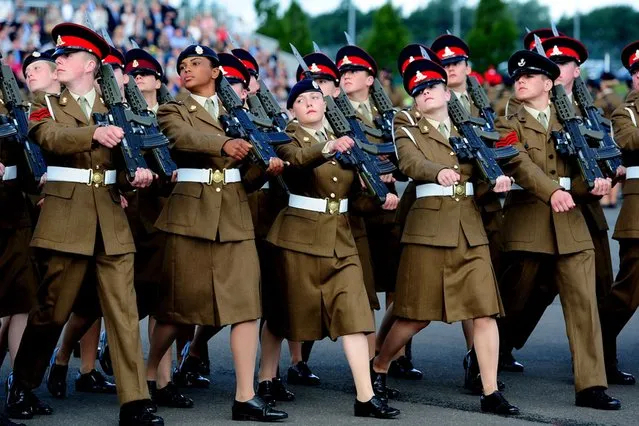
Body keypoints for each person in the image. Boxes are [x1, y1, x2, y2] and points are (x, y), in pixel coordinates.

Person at [6, 23, 162, 425]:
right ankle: (22, 384)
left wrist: (137, 177)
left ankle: (135, 401)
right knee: (51, 312)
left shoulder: (119, 108)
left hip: (110, 217)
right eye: (56, 55)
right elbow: (50, 137)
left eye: (65, 55)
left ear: (90, 63)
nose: (56, 60)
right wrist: (95, 132)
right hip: (66, 217)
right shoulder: (46, 102)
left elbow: (128, 164)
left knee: (123, 312)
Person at [371, 54, 518, 415]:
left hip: (469, 228)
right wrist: (437, 172)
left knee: (484, 312)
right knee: (414, 315)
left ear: (448, 92)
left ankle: (490, 389)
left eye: (433, 86)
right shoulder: (405, 123)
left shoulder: (469, 126)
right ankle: (379, 366)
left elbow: (485, 173)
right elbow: (409, 163)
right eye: (419, 90)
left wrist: (497, 182)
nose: (426, 93)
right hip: (428, 229)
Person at [150, 43, 287, 421]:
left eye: (196, 63)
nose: (187, 68)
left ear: (216, 71)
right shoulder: (173, 109)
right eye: (182, 65)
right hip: (190, 216)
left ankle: (245, 397)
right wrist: (225, 142)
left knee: (246, 307)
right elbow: (181, 138)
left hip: (233, 216)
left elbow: (244, 179)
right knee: (176, 310)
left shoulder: (239, 113)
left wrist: (267, 166)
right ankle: (149, 375)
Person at [265, 78, 400, 419]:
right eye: (302, 100)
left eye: (316, 97)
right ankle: (266, 379)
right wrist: (327, 148)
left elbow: (353, 197)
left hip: (341, 238)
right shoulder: (287, 136)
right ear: (292, 109)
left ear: (326, 105)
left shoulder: (346, 140)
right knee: (284, 314)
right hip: (297, 238)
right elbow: (295, 162)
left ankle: (365, 396)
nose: (310, 102)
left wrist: (380, 196)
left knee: (355, 317)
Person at [495, 46, 620, 410]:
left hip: (571, 225)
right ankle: (488, 356)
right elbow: (518, 164)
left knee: (584, 305)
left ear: (548, 83)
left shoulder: (574, 121)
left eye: (528, 76)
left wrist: (597, 182)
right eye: (517, 77)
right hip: (528, 222)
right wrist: (553, 192)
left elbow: (586, 168)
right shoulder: (507, 124)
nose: (520, 81)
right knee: (515, 301)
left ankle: (590, 385)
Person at [335, 43, 421, 382]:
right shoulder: (334, 112)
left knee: (397, 286)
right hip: (355, 209)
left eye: (352, 72)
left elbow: (408, 155)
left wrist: (393, 171)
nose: (345, 77)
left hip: (388, 208)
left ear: (371, 78)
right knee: (365, 290)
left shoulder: (391, 114)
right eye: (342, 72)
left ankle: (397, 355)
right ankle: (371, 367)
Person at [598, 39, 639, 387]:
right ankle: (597, 353)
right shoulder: (624, 113)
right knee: (627, 293)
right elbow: (629, 143)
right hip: (638, 215)